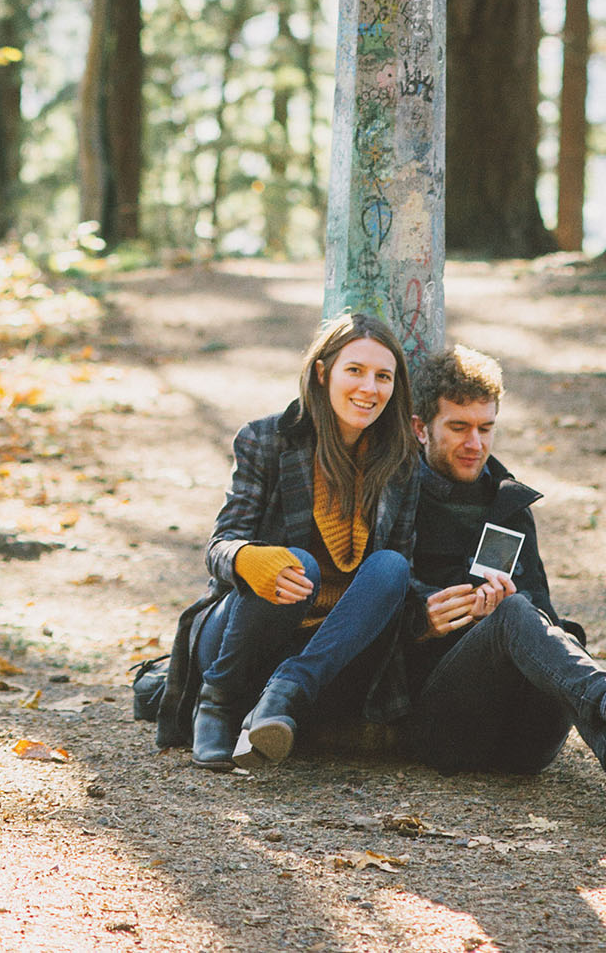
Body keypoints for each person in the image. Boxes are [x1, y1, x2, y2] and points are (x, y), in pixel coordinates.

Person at [398, 343, 606, 831]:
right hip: (440, 728)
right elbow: (366, 609)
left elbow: (544, 623)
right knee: (516, 615)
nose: (475, 442)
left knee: (554, 630)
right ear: (419, 428)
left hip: (523, 742)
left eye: (485, 428)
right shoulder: (395, 498)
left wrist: (513, 611)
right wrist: (421, 619)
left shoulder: (509, 506)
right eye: (458, 428)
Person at [155, 310, 421, 772]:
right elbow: (218, 546)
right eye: (354, 371)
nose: (369, 388)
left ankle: (285, 693)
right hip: (244, 632)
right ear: (322, 373)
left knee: (392, 567)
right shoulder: (266, 439)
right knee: (297, 562)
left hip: (322, 652)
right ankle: (217, 703)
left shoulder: (400, 461)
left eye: (383, 376)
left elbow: (397, 585)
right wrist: (246, 559)